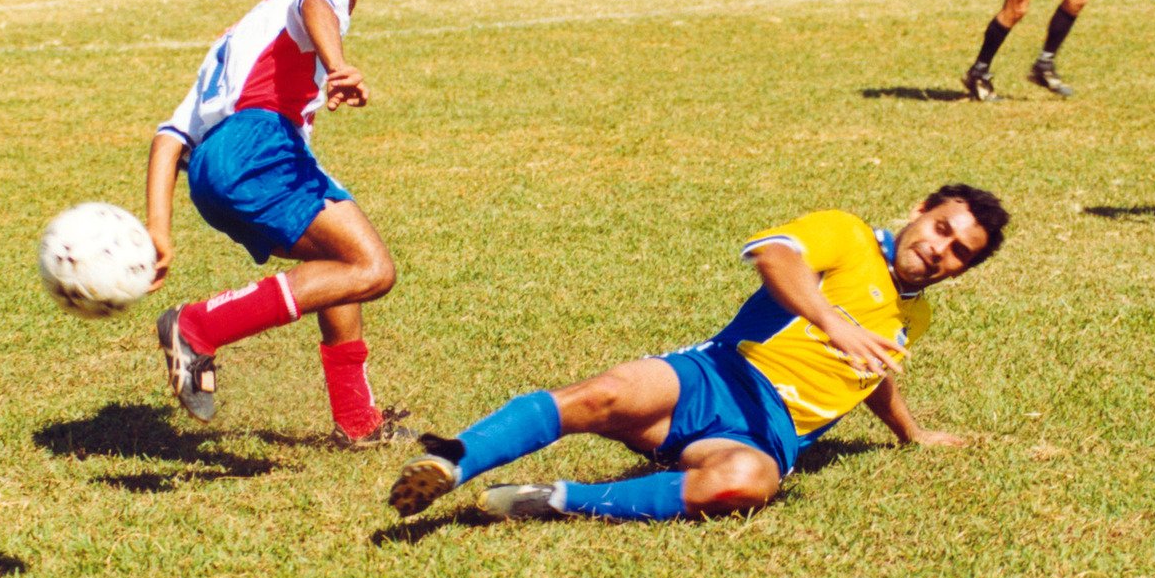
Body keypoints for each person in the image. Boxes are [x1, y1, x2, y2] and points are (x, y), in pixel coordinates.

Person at [386, 185, 1010, 522]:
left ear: (962, 272)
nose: (939, 249)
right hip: (717, 376)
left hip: (768, 435)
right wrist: (830, 320)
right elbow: (775, 256)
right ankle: (453, 462)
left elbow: (870, 377)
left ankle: (553, 499)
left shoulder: (913, 317)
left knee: (746, 484)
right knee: (600, 395)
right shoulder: (846, 236)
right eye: (940, 228)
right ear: (920, 211)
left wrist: (912, 433)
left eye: (958, 252)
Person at [147, 0, 411, 445]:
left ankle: (357, 420)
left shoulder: (232, 44)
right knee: (374, 269)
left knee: (339, 265)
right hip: (261, 144)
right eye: (345, 6)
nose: (342, 17)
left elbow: (168, 139)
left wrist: (158, 230)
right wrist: (336, 65)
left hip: (211, 170)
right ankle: (198, 325)